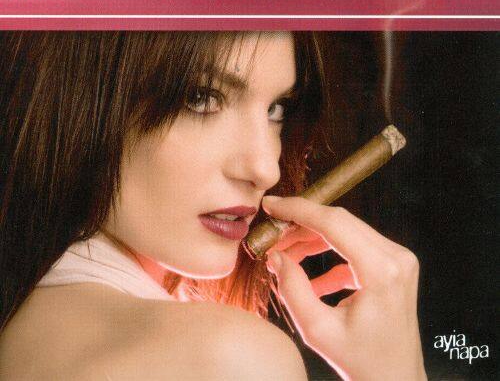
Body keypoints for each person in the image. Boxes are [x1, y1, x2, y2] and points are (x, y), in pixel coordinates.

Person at [0, 31, 426, 380]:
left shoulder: (24, 330)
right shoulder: (229, 358)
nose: (265, 169)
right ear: (82, 97)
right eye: (201, 98)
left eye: (276, 109)